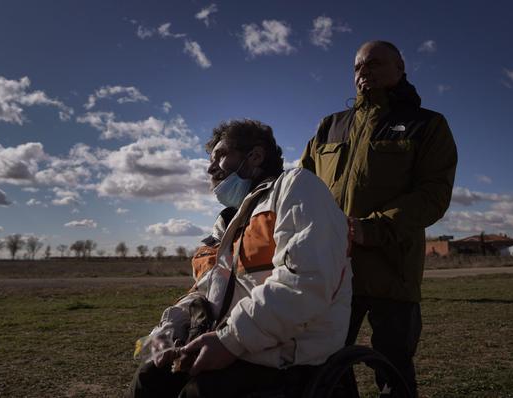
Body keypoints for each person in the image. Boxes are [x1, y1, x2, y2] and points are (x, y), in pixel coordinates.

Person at [128, 119, 352, 398]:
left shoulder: (297, 188)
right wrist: (167, 331)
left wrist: (230, 340)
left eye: (221, 156)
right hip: (228, 343)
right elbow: (205, 292)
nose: (210, 168)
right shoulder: (226, 225)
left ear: (255, 156)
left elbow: (306, 282)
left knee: (199, 392)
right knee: (150, 378)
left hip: (284, 354)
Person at [300, 40, 458, 397]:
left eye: (373, 64)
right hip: (334, 270)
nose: (363, 72)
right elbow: (302, 187)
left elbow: (433, 194)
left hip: (393, 270)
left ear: (400, 68)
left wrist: (373, 229)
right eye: (357, 67)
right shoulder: (329, 126)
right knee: (324, 363)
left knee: (394, 368)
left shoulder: (426, 125)